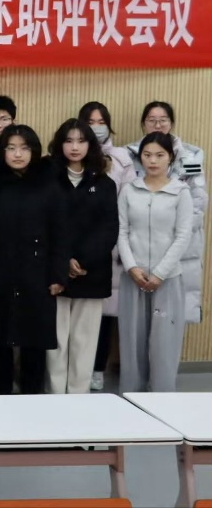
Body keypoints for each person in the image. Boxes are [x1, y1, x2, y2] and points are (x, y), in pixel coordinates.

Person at [0, 124, 69, 395]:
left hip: (37, 274)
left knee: (34, 341)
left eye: (24, 148)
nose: (17, 154)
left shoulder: (49, 184)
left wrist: (58, 274)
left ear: (34, 151)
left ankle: (32, 398)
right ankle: (1, 393)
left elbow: (60, 233)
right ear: (2, 151)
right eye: (11, 148)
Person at [46, 119, 119, 395]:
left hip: (92, 272)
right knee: (56, 342)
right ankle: (55, 396)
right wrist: (63, 260)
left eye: (80, 141)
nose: (74, 147)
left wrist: (83, 261)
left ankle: (79, 398)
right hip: (55, 271)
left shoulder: (104, 183)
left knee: (84, 341)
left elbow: (109, 229)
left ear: (90, 145)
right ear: (59, 144)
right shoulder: (48, 180)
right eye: (68, 141)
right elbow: (43, 225)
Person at [118, 132, 193, 393]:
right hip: (133, 278)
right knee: (132, 341)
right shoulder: (129, 190)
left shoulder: (180, 192)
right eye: (147, 155)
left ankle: (163, 399)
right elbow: (122, 231)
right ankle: (131, 396)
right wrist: (131, 267)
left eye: (160, 155)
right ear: (140, 158)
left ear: (170, 157)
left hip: (167, 279)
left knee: (164, 344)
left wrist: (160, 273)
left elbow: (183, 236)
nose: (153, 160)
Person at [127, 101, 207, 326]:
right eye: (152, 120)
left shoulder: (189, 156)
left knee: (169, 316)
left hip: (176, 242)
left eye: (163, 120)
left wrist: (179, 230)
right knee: (136, 318)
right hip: (139, 243)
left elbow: (199, 199)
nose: (158, 125)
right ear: (143, 123)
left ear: (171, 123)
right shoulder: (129, 154)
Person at [79, 101, 136, 392]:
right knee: (78, 312)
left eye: (101, 122)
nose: (96, 127)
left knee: (103, 315)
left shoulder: (122, 158)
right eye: (90, 122)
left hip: (109, 244)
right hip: (76, 245)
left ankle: (97, 368)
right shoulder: (74, 154)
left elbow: (128, 202)